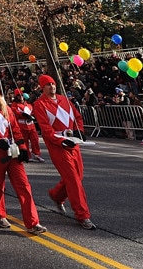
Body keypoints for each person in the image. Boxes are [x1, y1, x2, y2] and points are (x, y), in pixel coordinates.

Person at [0, 81, 46, 234]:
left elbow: (15, 129)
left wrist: (23, 148)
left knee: (24, 186)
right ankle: (0, 215)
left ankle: (33, 222)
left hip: (12, 153)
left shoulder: (6, 109)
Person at [32, 75, 95, 230]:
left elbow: (77, 117)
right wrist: (61, 140)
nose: (52, 87)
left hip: (73, 143)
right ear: (42, 88)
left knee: (78, 176)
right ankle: (83, 215)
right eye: (48, 85)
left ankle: (56, 195)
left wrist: (79, 132)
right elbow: (46, 130)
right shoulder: (40, 105)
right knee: (73, 179)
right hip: (58, 146)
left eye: (53, 84)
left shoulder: (65, 100)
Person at [11, 90, 44, 162]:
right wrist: (22, 114)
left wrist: (33, 115)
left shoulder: (28, 105)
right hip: (22, 126)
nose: (21, 97)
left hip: (31, 125)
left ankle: (37, 154)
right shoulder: (15, 105)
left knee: (35, 140)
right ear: (16, 97)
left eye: (22, 95)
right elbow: (15, 112)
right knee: (25, 141)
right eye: (19, 95)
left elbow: (33, 112)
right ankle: (28, 155)